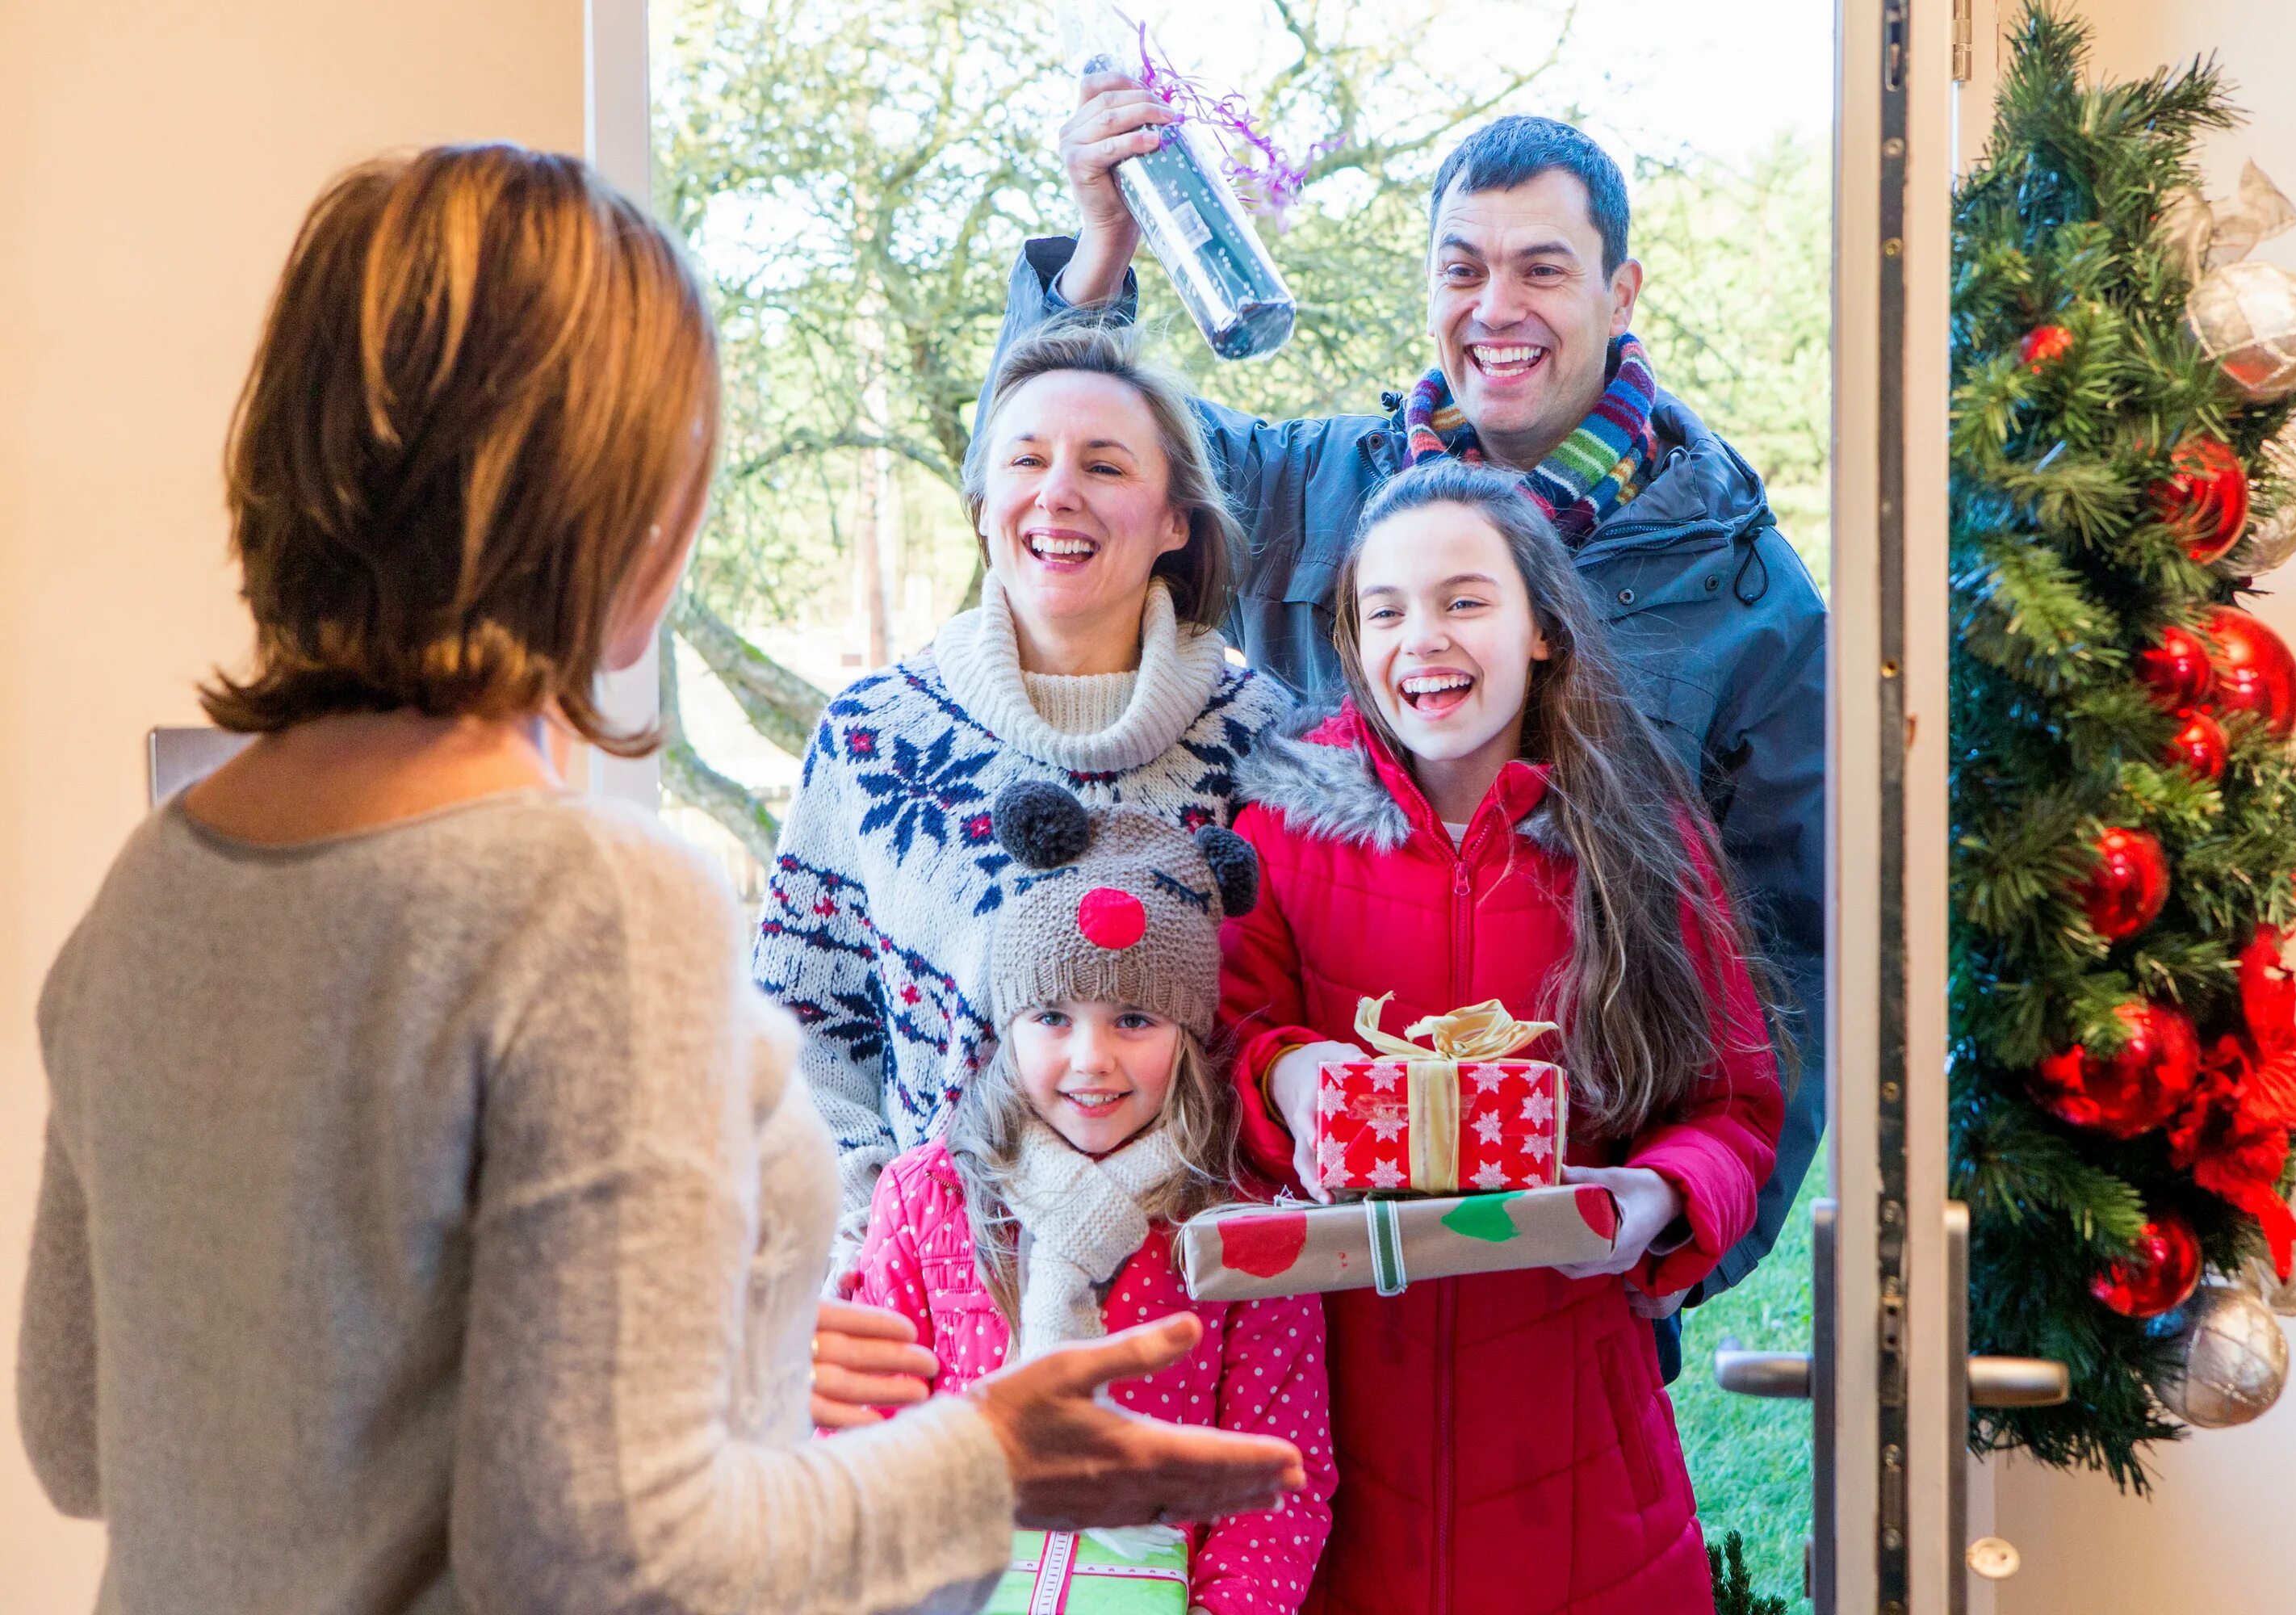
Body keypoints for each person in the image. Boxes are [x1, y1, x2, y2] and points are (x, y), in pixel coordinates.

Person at [15, 143, 1302, 1615]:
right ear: (612, 494)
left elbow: (82, 1435)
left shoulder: (154, 887)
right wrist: (981, 1466)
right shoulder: (588, 907)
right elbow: (592, 1556)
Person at [974, 101, 1825, 1351]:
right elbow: (1070, 470)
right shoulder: (1300, 486)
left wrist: (1682, 1247)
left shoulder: (1739, 592)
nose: (1497, 307)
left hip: (1569, 1281)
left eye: (1543, 267)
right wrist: (1097, 260)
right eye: (1463, 267)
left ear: (1621, 288)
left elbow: (1789, 961)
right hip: (1303, 1274)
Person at [1217, 462, 1784, 1613]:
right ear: (1354, 640)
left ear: (1541, 630)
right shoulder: (1281, 825)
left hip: (1580, 1461)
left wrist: (1655, 1202)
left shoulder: (1638, 830)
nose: (1422, 638)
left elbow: (1736, 1108)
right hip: (1334, 1456)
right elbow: (1223, 1048)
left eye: (1465, 600)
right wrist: (1291, 1076)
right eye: (1387, 612)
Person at [752, 319, 1292, 1307]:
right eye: (1027, 459)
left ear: (1177, 518)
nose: (1058, 492)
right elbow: (800, 1029)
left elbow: (1283, 1022)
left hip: (1202, 1308)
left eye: (1104, 464)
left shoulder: (1266, 743)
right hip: (924, 1300)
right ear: (984, 502)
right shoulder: (874, 737)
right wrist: (877, 1238)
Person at [853, 782, 1334, 1614]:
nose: (1090, 1059)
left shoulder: (1247, 1228)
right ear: (1009, 1026)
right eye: (1052, 1014)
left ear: (1187, 1035)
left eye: (1134, 1019)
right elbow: (862, 1428)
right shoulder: (929, 1197)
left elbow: (1280, 1482)